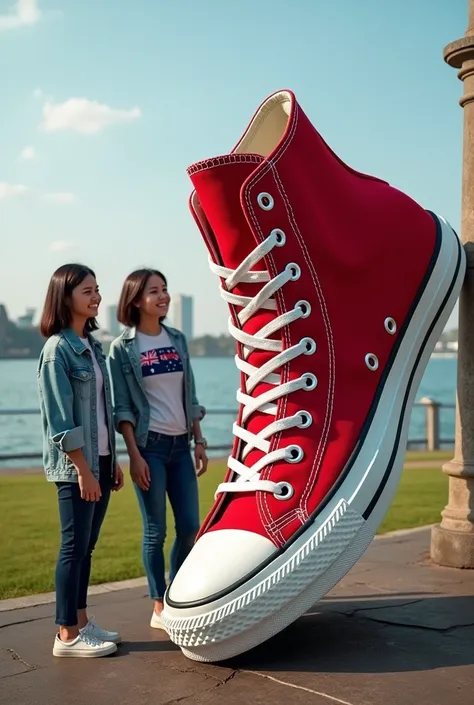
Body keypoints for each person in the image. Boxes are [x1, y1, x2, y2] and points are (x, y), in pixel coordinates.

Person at [108, 268, 207, 629]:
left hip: (181, 447)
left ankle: (176, 593)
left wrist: (198, 440)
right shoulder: (122, 348)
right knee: (156, 531)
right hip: (149, 448)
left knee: (190, 526)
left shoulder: (177, 339)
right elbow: (122, 409)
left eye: (165, 289)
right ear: (136, 300)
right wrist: (133, 455)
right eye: (154, 291)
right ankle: (158, 606)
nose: (163, 296)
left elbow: (190, 394)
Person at [37, 263, 124, 658]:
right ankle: (66, 634)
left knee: (87, 548)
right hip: (78, 468)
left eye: (97, 289)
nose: (96, 297)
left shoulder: (92, 346)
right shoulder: (58, 350)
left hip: (101, 462)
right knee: (73, 547)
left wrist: (112, 461)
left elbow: (102, 415)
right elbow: (62, 420)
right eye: (87, 291)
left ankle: (82, 620)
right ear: (65, 296)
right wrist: (84, 470)